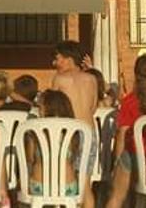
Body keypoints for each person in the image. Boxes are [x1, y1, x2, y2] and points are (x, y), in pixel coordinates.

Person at [105, 54, 146, 208]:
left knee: (116, 196)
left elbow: (122, 134)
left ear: (136, 74)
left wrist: (116, 162)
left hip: (133, 154)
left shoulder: (129, 101)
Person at [51, 41, 99, 208]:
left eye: (58, 58)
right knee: (86, 186)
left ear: (68, 58)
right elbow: (93, 108)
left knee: (67, 181)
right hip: (89, 133)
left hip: (69, 135)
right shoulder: (92, 79)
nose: (55, 63)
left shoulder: (59, 79)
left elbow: (53, 109)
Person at [25, 90, 80, 197]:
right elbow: (74, 158)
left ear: (47, 109)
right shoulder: (74, 130)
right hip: (68, 187)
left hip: (39, 186)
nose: (38, 111)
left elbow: (30, 160)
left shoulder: (35, 129)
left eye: (40, 108)